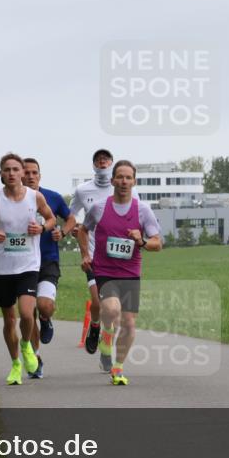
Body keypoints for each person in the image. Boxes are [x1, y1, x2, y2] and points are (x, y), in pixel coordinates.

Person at [0, 153, 56, 386]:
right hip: (3, 268)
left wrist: (42, 228)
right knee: (9, 321)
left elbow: (51, 219)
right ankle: (16, 364)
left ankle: (27, 345)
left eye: (15, 169)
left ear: (22, 173)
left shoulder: (35, 197)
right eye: (6, 169)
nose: (11, 173)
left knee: (27, 314)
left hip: (29, 265)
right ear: (1, 173)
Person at [77, 160, 162, 385]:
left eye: (128, 178)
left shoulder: (142, 210)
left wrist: (142, 241)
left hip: (131, 273)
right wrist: (85, 254)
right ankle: (106, 332)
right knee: (111, 309)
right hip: (104, 271)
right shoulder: (99, 208)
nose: (124, 181)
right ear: (112, 180)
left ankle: (118, 367)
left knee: (129, 323)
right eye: (120, 177)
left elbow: (157, 243)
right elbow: (83, 231)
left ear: (134, 182)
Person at [65, 148, 138, 355]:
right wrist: (75, 230)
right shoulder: (83, 190)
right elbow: (71, 215)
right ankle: (95, 325)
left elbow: (137, 216)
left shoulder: (129, 191)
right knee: (98, 302)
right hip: (94, 254)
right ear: (94, 165)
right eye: (98, 159)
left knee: (114, 311)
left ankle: (106, 342)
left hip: (120, 258)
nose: (102, 162)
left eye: (106, 159)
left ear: (111, 163)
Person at [22, 157, 72, 378]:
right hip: (22, 263)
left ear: (40, 176)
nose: (30, 176)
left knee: (44, 305)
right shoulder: (11, 200)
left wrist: (63, 232)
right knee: (27, 314)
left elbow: (71, 219)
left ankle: (46, 319)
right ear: (19, 175)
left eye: (34, 172)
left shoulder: (52, 197)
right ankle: (36, 358)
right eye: (26, 172)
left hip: (48, 260)